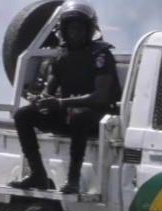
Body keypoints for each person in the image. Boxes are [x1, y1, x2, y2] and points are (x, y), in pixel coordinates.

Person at [7, 1, 121, 194]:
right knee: (23, 115)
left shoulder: (101, 55)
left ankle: (73, 180)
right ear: (64, 30)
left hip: (97, 117)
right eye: (71, 28)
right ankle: (38, 175)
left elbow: (100, 96)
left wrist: (60, 102)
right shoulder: (60, 56)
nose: (75, 33)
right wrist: (40, 98)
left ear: (89, 29)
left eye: (79, 28)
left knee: (79, 117)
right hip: (66, 111)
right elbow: (49, 89)